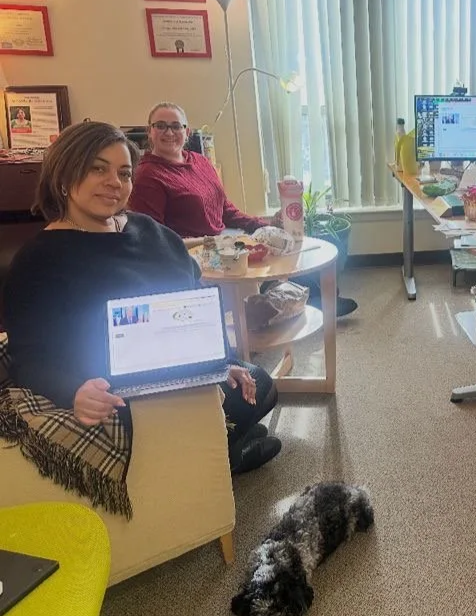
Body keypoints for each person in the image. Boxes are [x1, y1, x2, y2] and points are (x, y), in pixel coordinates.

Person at [2, 121, 282, 474]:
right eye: (97, 169)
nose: (114, 183)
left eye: (124, 173)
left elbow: (194, 297)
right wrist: (73, 391)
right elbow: (27, 357)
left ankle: (221, 447)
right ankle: (228, 455)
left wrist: (222, 360)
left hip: (182, 366)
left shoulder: (146, 229)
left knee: (260, 384)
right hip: (118, 392)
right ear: (63, 175)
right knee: (236, 411)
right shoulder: (37, 261)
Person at [127, 102, 358, 317]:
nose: (169, 132)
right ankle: (277, 309)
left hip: (222, 240)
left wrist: (266, 224)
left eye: (176, 126)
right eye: (161, 126)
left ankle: (315, 300)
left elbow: (226, 210)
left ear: (187, 132)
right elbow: (155, 238)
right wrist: (211, 242)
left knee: (283, 241)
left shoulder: (200, 162)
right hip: (193, 253)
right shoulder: (147, 176)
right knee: (261, 259)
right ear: (149, 132)